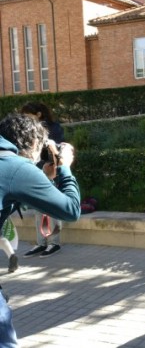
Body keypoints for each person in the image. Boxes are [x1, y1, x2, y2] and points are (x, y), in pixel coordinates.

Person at [0, 113, 81, 347]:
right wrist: (64, 168)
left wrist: (41, 175)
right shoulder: (15, 166)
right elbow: (70, 210)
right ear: (34, 143)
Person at [21, 102, 65, 258]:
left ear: (38, 114)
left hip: (50, 171)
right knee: (38, 207)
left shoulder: (53, 128)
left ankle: (54, 243)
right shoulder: (29, 129)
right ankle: (41, 243)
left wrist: (50, 164)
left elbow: (58, 149)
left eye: (27, 115)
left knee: (52, 207)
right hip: (35, 170)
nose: (25, 118)